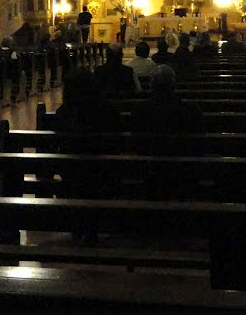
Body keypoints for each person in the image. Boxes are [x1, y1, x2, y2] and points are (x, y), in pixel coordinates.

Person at [53, 66, 124, 243]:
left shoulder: (63, 113)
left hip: (72, 178)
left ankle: (80, 224)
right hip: (104, 176)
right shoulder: (108, 110)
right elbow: (118, 144)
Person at [129, 64, 205, 156]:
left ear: (151, 85)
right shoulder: (190, 109)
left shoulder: (139, 109)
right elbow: (199, 140)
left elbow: (135, 142)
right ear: (174, 84)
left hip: (146, 164)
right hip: (184, 161)